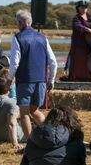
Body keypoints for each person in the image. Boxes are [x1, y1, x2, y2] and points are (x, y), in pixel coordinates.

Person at [5, 10, 57, 140]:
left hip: (25, 81)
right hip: (41, 81)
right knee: (34, 110)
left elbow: (14, 64)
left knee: (24, 114)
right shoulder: (43, 38)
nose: (17, 25)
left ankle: (30, 145)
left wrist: (8, 80)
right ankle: (51, 136)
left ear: (21, 22)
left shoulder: (17, 38)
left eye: (17, 22)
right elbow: (53, 62)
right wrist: (51, 80)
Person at [69, 0, 91, 81]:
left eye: (85, 7)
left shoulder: (90, 16)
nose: (84, 9)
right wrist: (87, 29)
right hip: (79, 43)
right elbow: (77, 26)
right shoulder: (76, 18)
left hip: (90, 43)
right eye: (82, 7)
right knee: (81, 60)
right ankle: (81, 77)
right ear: (78, 8)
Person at [0, 78, 23, 149]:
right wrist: (15, 143)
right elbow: (11, 124)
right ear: (8, 88)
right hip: (15, 136)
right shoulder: (12, 102)